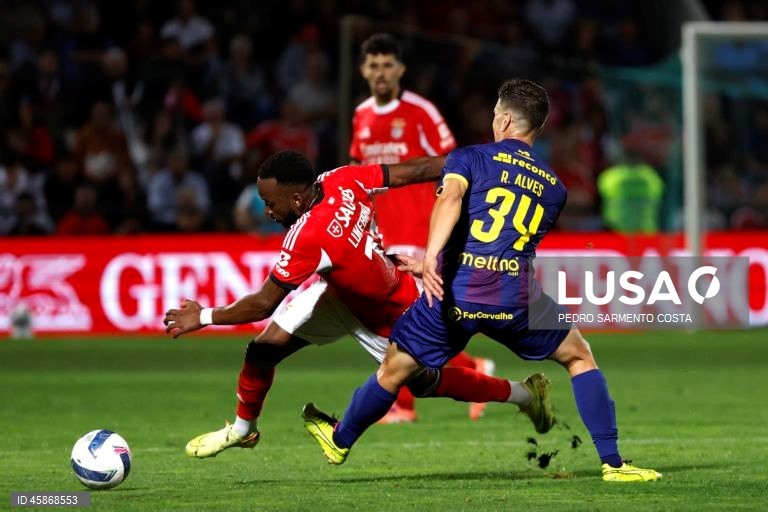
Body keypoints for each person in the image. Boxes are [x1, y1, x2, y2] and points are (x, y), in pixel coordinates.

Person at [303, 79, 662, 483]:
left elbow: (450, 200)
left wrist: (431, 257)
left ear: (505, 118)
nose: (493, 119)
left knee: (394, 369)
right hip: (515, 297)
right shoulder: (554, 187)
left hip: (455, 291)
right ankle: (614, 464)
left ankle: (341, 439)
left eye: (495, 113)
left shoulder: (470, 157)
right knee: (579, 356)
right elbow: (511, 241)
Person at [163, 150, 550, 459]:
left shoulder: (306, 236)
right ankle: (243, 431)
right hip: (339, 294)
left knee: (427, 385)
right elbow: (411, 172)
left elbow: (264, 302)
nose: (268, 211)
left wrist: (204, 316)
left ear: (296, 198)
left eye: (270, 202)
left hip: (388, 311)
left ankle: (524, 395)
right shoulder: (340, 178)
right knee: (263, 349)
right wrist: (468, 163)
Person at [350, 32, 493, 423]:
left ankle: (407, 401)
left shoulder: (420, 111)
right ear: (363, 70)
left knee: (407, 317)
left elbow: (454, 160)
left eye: (387, 65)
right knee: (396, 318)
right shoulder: (361, 114)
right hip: (382, 232)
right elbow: (359, 175)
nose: (380, 73)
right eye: (373, 65)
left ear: (400, 69)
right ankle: (473, 367)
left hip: (419, 227)